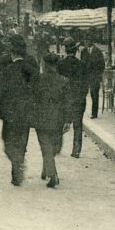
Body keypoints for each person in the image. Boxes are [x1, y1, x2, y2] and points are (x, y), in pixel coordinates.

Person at [0, 34, 40, 186]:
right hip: (26, 109)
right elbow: (37, 85)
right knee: (22, 139)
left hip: (9, 110)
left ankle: (16, 168)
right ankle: (19, 163)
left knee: (8, 139)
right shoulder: (31, 62)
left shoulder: (4, 62)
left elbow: (0, 86)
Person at [31, 53, 67, 188]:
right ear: (56, 65)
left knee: (46, 146)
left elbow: (32, 98)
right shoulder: (64, 80)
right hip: (58, 118)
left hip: (41, 117)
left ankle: (48, 168)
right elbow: (68, 102)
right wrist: (68, 120)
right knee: (53, 146)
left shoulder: (37, 79)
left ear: (44, 65)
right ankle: (52, 174)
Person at [57, 38, 88, 158]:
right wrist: (82, 95)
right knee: (78, 124)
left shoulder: (60, 64)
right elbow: (86, 84)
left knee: (61, 122)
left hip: (64, 99)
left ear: (65, 50)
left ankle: (57, 146)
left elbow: (58, 83)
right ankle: (76, 150)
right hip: (79, 99)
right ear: (76, 51)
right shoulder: (82, 65)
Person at [79, 37, 106, 119]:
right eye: (85, 41)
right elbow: (82, 63)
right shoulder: (83, 51)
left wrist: (98, 74)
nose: (86, 42)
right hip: (86, 77)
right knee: (83, 94)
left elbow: (102, 65)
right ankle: (82, 112)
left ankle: (94, 113)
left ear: (91, 41)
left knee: (94, 95)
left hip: (95, 77)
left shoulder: (97, 51)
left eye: (87, 40)